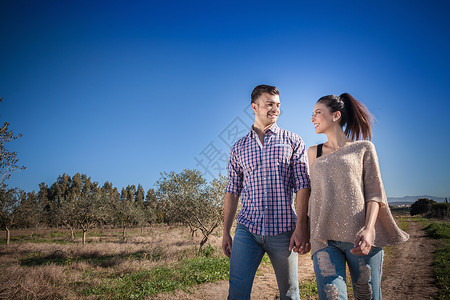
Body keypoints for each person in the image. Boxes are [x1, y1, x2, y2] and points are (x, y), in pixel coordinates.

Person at [308, 93, 409, 300]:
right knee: (331, 296)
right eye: (312, 114)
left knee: (368, 296)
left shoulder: (364, 148)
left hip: (361, 240)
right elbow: (311, 193)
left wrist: (369, 230)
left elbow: (374, 193)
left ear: (336, 115)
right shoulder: (313, 153)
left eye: (318, 113)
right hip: (323, 239)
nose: (313, 118)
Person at [222, 84, 310, 300]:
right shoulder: (238, 148)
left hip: (284, 231)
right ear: (254, 106)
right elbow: (232, 191)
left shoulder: (293, 141)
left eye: (278, 104)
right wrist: (225, 231)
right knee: (237, 292)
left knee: (290, 293)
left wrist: (301, 226)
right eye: (269, 104)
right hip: (247, 230)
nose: (275, 109)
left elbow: (302, 185)